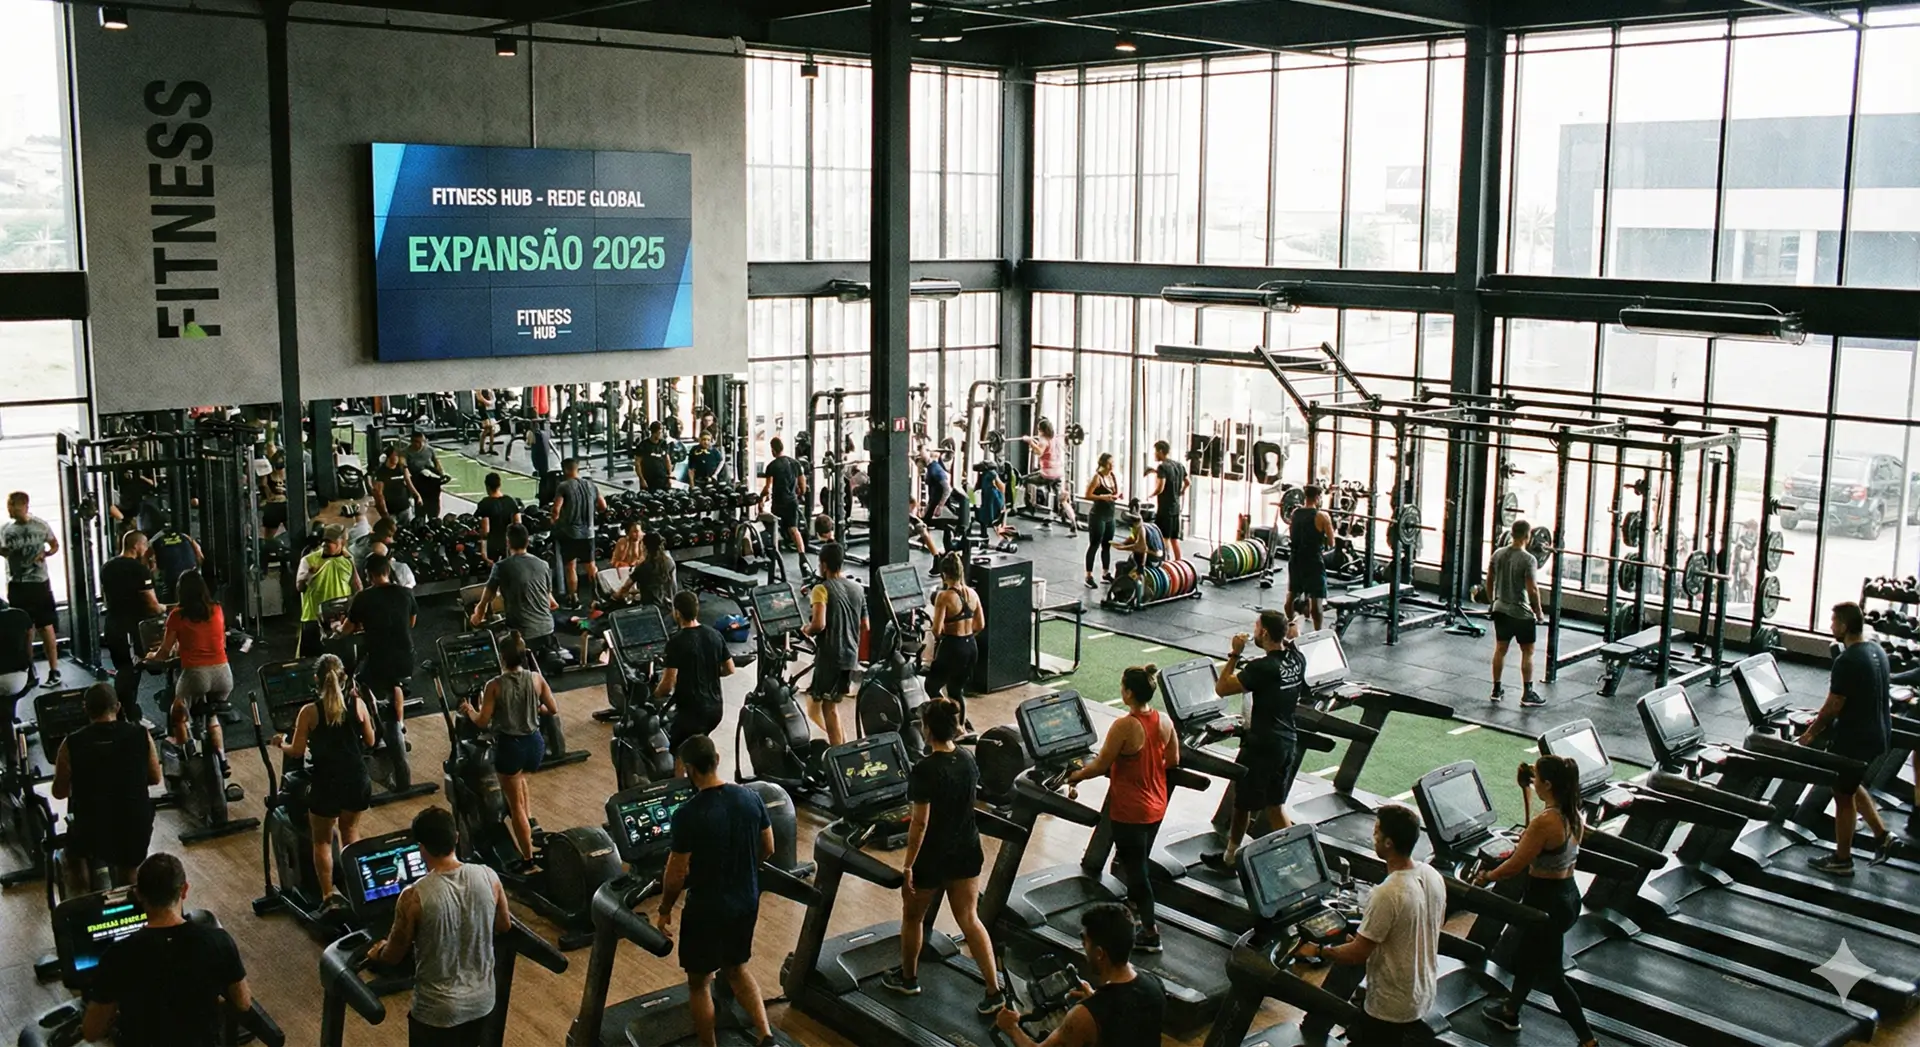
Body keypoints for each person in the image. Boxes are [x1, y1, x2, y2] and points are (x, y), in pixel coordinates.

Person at [882, 697, 1004, 1011]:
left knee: (912, 918)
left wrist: (908, 865)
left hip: (933, 857)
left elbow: (920, 823)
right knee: (970, 919)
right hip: (967, 850)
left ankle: (908, 979)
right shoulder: (967, 758)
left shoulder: (924, 769)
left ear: (927, 729)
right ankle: (994, 991)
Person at [657, 735, 777, 1047]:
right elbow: (768, 847)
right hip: (746, 899)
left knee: (699, 983)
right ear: (717, 760)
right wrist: (744, 866)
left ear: (689, 770)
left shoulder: (687, 814)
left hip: (706, 908)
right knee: (736, 969)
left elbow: (675, 874)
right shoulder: (751, 798)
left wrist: (664, 909)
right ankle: (766, 1036)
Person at [1296, 805, 1446, 1045]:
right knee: (1348, 963)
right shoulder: (1431, 875)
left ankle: (1319, 1027)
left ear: (1388, 843)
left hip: (1390, 1007)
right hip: (1423, 992)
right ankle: (1316, 1025)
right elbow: (1416, 928)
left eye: (1376, 831)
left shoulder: (1388, 892)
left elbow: (1356, 955)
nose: (1373, 836)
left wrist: (1316, 950)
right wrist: (1363, 942)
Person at [1474, 755, 1596, 1047]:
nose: (1535, 782)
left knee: (1553, 976)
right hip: (1568, 896)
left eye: (1537, 779)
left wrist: (1487, 876)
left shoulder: (1546, 822)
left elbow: (1516, 864)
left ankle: (1588, 1040)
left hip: (1545, 903)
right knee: (1529, 957)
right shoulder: (1573, 813)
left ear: (1549, 784)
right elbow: (1535, 838)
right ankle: (1510, 1011)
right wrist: (1526, 789)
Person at [365, 806, 512, 1047]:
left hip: (437, 1012)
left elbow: (393, 956)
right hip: (483, 1002)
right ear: (456, 837)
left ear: (421, 847)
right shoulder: (489, 876)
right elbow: (504, 925)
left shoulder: (413, 896)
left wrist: (376, 952)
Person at [81, 853, 252, 1047]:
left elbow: (91, 1032)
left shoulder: (117, 955)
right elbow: (243, 1003)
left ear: (138, 894)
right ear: (184, 890)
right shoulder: (218, 941)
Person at [1066, 665, 1178, 953]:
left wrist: (1075, 776)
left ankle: (1150, 933)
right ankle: (1134, 908)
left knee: (1137, 871)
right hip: (1156, 804)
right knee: (1137, 863)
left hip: (1131, 810)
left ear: (1128, 692)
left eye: (1122, 686)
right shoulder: (1164, 720)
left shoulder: (1125, 726)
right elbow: (1173, 760)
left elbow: (1100, 765)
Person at [269, 654, 375, 910]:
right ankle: (357, 890)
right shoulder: (357, 704)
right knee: (350, 833)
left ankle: (328, 897)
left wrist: (280, 744)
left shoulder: (309, 712)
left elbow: (297, 751)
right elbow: (371, 741)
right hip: (357, 780)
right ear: (343, 678)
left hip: (327, 783)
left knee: (323, 841)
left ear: (316, 680)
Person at [1204, 610, 1305, 869]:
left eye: (1257, 628)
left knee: (1243, 804)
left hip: (1262, 745)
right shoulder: (1297, 659)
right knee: (1275, 805)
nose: (1254, 632)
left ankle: (1230, 859)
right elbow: (1289, 643)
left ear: (1265, 633)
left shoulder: (1262, 667)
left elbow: (1222, 688)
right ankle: (1296, 860)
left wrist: (1235, 653)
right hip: (1288, 741)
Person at [1802, 601, 1895, 874]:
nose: (1831, 626)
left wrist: (1811, 732)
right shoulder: (1876, 650)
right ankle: (1883, 836)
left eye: (1833, 622)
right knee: (1850, 784)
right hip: (1880, 734)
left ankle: (1842, 860)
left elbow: (1834, 705)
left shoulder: (1847, 659)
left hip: (1856, 738)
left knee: (1842, 796)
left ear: (1843, 625)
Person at [994, 903, 1164, 1047]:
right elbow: (1124, 1022)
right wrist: (1094, 998)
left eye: (1085, 941)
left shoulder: (1082, 1018)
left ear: (1099, 953)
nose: (1083, 946)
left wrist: (1011, 1028)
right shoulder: (1155, 985)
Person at [459, 632, 556, 864]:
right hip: (535, 745)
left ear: (501, 656)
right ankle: (531, 821)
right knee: (519, 778)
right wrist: (532, 709)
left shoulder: (494, 685)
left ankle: (528, 858)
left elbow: (482, 722)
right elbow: (552, 709)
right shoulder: (536, 678)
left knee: (515, 806)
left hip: (511, 747)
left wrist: (469, 710)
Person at [52, 683, 160, 889]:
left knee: (74, 858)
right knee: (128, 869)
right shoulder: (141, 734)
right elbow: (155, 778)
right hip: (134, 822)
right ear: (117, 707)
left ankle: (83, 897)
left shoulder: (71, 743)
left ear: (86, 709)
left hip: (91, 825)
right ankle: (128, 897)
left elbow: (59, 792)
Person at [151, 570, 234, 777]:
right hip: (223, 674)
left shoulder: (177, 615)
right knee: (212, 715)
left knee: (177, 712)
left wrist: (151, 657)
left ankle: (188, 754)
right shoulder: (216, 609)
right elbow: (219, 640)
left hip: (196, 675)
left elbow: (164, 651)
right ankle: (222, 761)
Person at [655, 590, 735, 762]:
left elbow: (667, 685)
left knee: (676, 750)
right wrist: (708, 672)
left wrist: (654, 695)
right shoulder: (715, 634)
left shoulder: (676, 641)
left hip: (691, 713)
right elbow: (730, 669)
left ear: (677, 613)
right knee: (698, 747)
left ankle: (679, 779)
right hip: (715, 710)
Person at [802, 542, 865, 747]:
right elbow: (865, 625)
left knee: (828, 707)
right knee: (830, 704)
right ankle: (843, 743)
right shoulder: (857, 589)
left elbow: (819, 624)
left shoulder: (821, 589)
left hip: (831, 657)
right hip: (850, 656)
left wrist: (806, 629)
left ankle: (838, 751)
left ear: (823, 565)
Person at [344, 553, 418, 726]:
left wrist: (337, 630)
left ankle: (373, 718)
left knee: (359, 681)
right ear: (388, 571)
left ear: (368, 574)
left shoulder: (363, 597)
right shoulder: (406, 593)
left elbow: (347, 629)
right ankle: (400, 725)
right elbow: (411, 623)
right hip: (407, 658)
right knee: (395, 684)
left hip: (379, 659)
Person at [470, 525, 558, 661]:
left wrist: (476, 618)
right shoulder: (543, 565)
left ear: (508, 542)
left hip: (522, 635)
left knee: (490, 635)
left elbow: (485, 602)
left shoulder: (501, 566)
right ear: (527, 542)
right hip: (548, 630)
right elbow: (551, 603)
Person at [2, 491, 61, 685]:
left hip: (39, 582)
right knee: (24, 629)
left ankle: (54, 670)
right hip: (17, 583)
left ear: (24, 506)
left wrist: (46, 554)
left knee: (45, 626)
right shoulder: (6, 530)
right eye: (8, 506)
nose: (9, 509)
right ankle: (29, 671)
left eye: (13, 506)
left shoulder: (40, 525)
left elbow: (54, 545)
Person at [101, 531, 162, 718]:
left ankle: (126, 714)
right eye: (145, 545)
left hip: (112, 625)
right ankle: (126, 716)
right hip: (130, 629)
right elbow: (152, 605)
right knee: (130, 672)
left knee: (125, 669)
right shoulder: (139, 569)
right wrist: (164, 608)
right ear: (136, 546)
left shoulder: (107, 567)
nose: (146, 549)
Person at [1488, 519, 1546, 707]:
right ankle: (1527, 694)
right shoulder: (1529, 559)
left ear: (1511, 534)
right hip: (1521, 613)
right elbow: (1532, 589)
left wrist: (1492, 602)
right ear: (1528, 536)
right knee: (1528, 652)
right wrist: (1539, 612)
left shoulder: (1497, 554)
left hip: (1500, 609)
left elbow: (1489, 580)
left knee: (1500, 649)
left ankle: (1496, 690)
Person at [922, 553, 981, 717]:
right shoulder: (973, 594)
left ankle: (947, 718)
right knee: (956, 690)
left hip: (952, 647)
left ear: (944, 574)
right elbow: (980, 624)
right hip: (971, 647)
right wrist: (967, 636)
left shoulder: (944, 596)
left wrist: (946, 637)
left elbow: (937, 629)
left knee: (932, 686)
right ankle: (961, 724)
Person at [550, 458, 608, 608]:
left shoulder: (563, 486)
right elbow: (603, 506)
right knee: (591, 566)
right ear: (577, 468)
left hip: (569, 533)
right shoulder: (591, 485)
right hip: (588, 533)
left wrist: (554, 522)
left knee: (571, 566)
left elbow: (556, 510)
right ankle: (596, 596)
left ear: (565, 470)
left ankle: (574, 598)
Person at [298, 524, 361, 658]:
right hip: (314, 619)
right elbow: (299, 587)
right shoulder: (309, 560)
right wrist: (309, 575)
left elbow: (357, 587)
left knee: (340, 661)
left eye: (330, 541)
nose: (325, 544)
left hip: (340, 619)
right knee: (311, 661)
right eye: (324, 540)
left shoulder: (348, 560)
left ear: (342, 543)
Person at [1286, 485, 1335, 633]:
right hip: (1313, 561)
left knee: (1292, 595)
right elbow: (1331, 542)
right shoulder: (1322, 516)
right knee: (1316, 600)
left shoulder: (1295, 513)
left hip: (1295, 559)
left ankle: (1289, 626)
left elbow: (1293, 534)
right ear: (1318, 497)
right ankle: (1318, 632)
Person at [759, 436, 808, 572]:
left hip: (778, 503)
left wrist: (760, 499)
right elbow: (803, 485)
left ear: (773, 450)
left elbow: (767, 488)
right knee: (794, 529)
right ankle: (802, 557)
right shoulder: (795, 463)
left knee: (772, 528)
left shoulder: (772, 466)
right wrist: (799, 493)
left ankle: (773, 558)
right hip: (792, 502)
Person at [1018, 420, 1077, 533]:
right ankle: (1073, 522)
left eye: (1039, 429)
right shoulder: (1055, 438)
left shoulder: (1043, 440)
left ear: (1042, 430)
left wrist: (1030, 442)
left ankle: (1029, 505)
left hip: (1047, 475)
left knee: (1024, 479)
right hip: (1058, 474)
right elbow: (1044, 448)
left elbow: (1039, 452)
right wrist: (1033, 441)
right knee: (1063, 500)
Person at [1083, 453, 1121, 590]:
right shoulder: (1097, 478)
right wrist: (1102, 497)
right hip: (1098, 516)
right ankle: (1088, 576)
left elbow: (1115, 493)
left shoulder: (1112, 476)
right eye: (1110, 463)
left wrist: (1115, 496)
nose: (1112, 466)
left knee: (1107, 545)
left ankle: (1105, 573)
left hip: (1110, 516)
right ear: (1103, 464)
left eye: (1113, 463)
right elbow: (1087, 495)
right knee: (1094, 544)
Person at [616, 531, 676, 616]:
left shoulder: (642, 568)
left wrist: (615, 596)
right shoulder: (669, 563)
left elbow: (625, 587)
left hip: (650, 611)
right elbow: (673, 587)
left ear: (644, 547)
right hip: (668, 609)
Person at [1146, 441, 1188, 562]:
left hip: (1165, 508)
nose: (1154, 454)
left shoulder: (1162, 467)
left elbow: (1161, 487)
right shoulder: (1179, 465)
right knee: (1174, 539)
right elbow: (1187, 482)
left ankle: (1164, 562)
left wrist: (1150, 495)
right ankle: (1179, 563)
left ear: (1160, 451)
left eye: (1155, 451)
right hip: (1175, 508)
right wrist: (1181, 491)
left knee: (1164, 537)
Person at [147, 519, 203, 604]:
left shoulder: (153, 541)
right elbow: (200, 557)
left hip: (169, 582)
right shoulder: (186, 537)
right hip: (191, 579)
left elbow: (150, 567)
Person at [474, 473, 520, 565]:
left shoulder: (485, 503)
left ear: (487, 486)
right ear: (500, 484)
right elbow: (518, 523)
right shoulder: (510, 501)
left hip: (492, 545)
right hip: (508, 543)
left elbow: (485, 530)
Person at [372, 442, 422, 527]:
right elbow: (379, 495)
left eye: (397, 456)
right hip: (391, 511)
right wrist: (385, 513)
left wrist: (417, 495)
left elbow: (409, 482)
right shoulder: (381, 473)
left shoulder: (402, 468)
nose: (397, 458)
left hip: (404, 507)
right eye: (394, 455)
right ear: (388, 457)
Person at [405, 430, 447, 519]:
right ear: (412, 441)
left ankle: (433, 519)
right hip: (418, 482)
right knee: (420, 508)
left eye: (422, 442)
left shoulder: (430, 450)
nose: (420, 444)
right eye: (417, 442)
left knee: (434, 506)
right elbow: (404, 468)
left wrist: (442, 474)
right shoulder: (406, 452)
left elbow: (437, 463)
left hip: (432, 481)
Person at [1111, 511, 1165, 575]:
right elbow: (1132, 538)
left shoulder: (1141, 530)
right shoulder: (1149, 526)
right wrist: (1121, 544)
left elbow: (1140, 548)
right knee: (1131, 557)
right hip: (1160, 559)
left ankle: (1137, 573)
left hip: (1153, 561)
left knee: (1121, 565)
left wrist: (1122, 548)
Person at [634, 421, 676, 491]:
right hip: (649, 481)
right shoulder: (643, 445)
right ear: (654, 432)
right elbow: (637, 464)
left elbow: (667, 460)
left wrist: (669, 477)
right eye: (660, 432)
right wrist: (642, 479)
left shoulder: (663, 443)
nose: (661, 434)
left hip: (663, 479)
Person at [974, 461, 1008, 544]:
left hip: (992, 497)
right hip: (986, 496)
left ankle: (996, 535)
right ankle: (984, 534)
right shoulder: (983, 474)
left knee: (988, 516)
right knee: (984, 515)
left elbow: (1002, 486)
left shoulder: (991, 473)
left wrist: (1002, 499)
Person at [476, 388, 498, 456]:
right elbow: (479, 397)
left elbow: (493, 396)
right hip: (483, 408)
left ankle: (491, 448)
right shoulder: (479, 388)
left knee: (492, 429)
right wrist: (487, 402)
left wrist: (491, 402)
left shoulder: (490, 388)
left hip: (490, 408)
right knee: (487, 428)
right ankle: (481, 449)